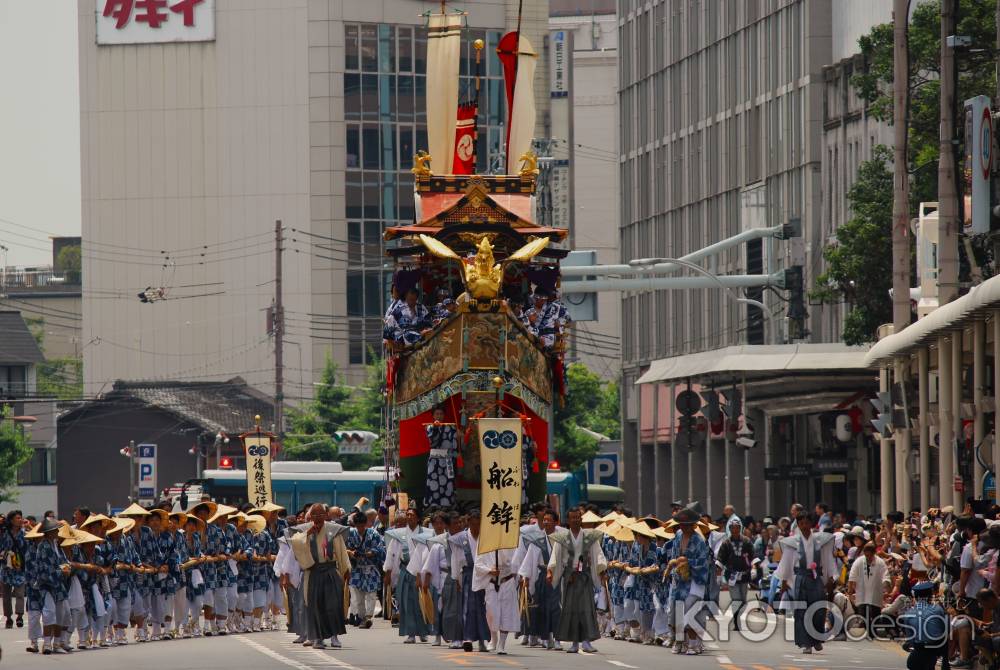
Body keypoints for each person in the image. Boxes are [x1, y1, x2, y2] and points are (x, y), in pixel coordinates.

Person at [289, 503, 351, 649]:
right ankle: (318, 638)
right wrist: (308, 533)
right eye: (314, 514)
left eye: (320, 514)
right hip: (313, 571)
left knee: (333, 605)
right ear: (310, 516)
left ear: (326, 515)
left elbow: (341, 551)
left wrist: (346, 569)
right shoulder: (304, 529)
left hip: (330, 570)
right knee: (315, 606)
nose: (317, 517)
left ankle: (334, 636)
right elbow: (296, 543)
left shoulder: (333, 530)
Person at [548, 507, 608, 654]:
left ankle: (586, 642)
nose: (575, 520)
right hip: (569, 578)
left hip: (584, 577)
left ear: (581, 519)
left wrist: (602, 570)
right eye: (572, 517)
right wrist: (550, 572)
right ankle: (574, 643)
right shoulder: (562, 538)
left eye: (577, 517)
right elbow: (555, 557)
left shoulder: (589, 537)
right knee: (571, 610)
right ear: (568, 520)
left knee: (587, 609)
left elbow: (598, 555)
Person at [775, 512, 837, 655]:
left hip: (816, 578)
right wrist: (784, 581)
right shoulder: (793, 543)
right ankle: (805, 643)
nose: (804, 526)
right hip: (801, 577)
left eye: (806, 523)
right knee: (801, 610)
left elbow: (828, 559)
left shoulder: (820, 540)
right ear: (798, 524)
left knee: (818, 610)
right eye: (801, 523)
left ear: (811, 524)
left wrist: (830, 578)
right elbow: (786, 562)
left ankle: (816, 639)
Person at [665, 506, 710, 655]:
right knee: (676, 610)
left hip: (695, 581)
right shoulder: (678, 535)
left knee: (690, 612)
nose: (684, 528)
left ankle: (694, 644)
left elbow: (704, 562)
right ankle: (680, 642)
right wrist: (675, 563)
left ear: (693, 525)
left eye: (687, 525)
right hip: (680, 579)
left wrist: (688, 561)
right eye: (682, 525)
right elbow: (674, 554)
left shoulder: (699, 540)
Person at [384, 507, 433, 643]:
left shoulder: (427, 534)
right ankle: (411, 633)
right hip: (405, 570)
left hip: (422, 571)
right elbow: (391, 554)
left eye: (412, 514)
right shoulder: (399, 534)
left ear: (418, 518)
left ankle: (423, 633)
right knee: (406, 602)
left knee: (421, 602)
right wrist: (388, 572)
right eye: (408, 514)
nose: (409, 517)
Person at [518, 509, 562, 649]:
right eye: (544, 520)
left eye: (549, 520)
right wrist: (526, 576)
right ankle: (545, 636)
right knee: (542, 607)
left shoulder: (561, 539)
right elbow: (530, 559)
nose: (546, 522)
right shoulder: (537, 540)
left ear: (556, 522)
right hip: (541, 576)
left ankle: (557, 638)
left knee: (555, 608)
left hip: (556, 576)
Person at [346, 509, 385, 629]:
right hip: (357, 568)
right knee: (358, 596)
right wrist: (351, 552)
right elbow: (345, 548)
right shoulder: (351, 533)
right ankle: (362, 617)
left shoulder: (373, 534)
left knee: (371, 594)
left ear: (366, 523)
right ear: (355, 524)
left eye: (362, 525)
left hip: (371, 567)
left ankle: (368, 617)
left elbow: (381, 548)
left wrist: (372, 552)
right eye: (358, 525)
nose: (360, 528)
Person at [716, 516, 754, 631]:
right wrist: (718, 573)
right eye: (733, 528)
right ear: (730, 529)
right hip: (731, 574)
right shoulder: (726, 543)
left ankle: (739, 616)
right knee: (736, 599)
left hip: (744, 574)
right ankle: (737, 622)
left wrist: (754, 569)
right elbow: (720, 558)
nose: (735, 530)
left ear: (740, 528)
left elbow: (753, 556)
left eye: (737, 528)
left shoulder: (747, 541)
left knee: (743, 600)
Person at [899, 581, 947, 670]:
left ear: (915, 597)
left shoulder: (909, 613)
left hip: (921, 647)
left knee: (913, 664)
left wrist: (909, 644)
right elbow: (944, 630)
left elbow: (910, 638)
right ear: (930, 596)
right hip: (937, 646)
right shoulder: (938, 609)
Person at [847, 541, 887, 639]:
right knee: (863, 613)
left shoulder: (880, 562)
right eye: (866, 555)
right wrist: (850, 591)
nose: (868, 557)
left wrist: (886, 584)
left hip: (875, 591)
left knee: (875, 613)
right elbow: (852, 576)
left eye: (870, 555)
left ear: (874, 553)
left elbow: (885, 575)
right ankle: (868, 631)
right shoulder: (859, 561)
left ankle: (872, 631)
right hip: (862, 591)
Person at [423, 407, 458, 509]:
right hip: (434, 460)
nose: (439, 416)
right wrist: (435, 428)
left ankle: (448, 504)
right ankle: (433, 505)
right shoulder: (429, 427)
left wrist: (455, 454)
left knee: (448, 483)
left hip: (447, 459)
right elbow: (433, 441)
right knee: (434, 481)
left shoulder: (451, 428)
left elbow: (454, 444)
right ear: (433, 416)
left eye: (441, 414)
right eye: (437, 414)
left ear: (444, 415)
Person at [1, 509, 26, 629]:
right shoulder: (4, 533)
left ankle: (20, 616)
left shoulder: (25, 533)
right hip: (6, 568)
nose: (20, 520)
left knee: (20, 593)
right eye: (17, 518)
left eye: (21, 517)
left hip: (19, 568)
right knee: (6, 595)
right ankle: (8, 618)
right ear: (11, 520)